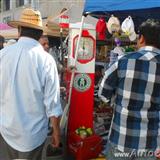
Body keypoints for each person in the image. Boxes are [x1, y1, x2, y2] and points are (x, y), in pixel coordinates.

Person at [0, 8, 62, 160]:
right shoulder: (46, 60)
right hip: (32, 136)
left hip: (5, 130)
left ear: (19, 29)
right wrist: (56, 132)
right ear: (40, 33)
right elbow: (52, 104)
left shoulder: (3, 55)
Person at [98, 19, 160, 160]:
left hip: (121, 140)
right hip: (150, 146)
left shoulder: (123, 61)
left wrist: (117, 100)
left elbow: (103, 93)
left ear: (141, 38)